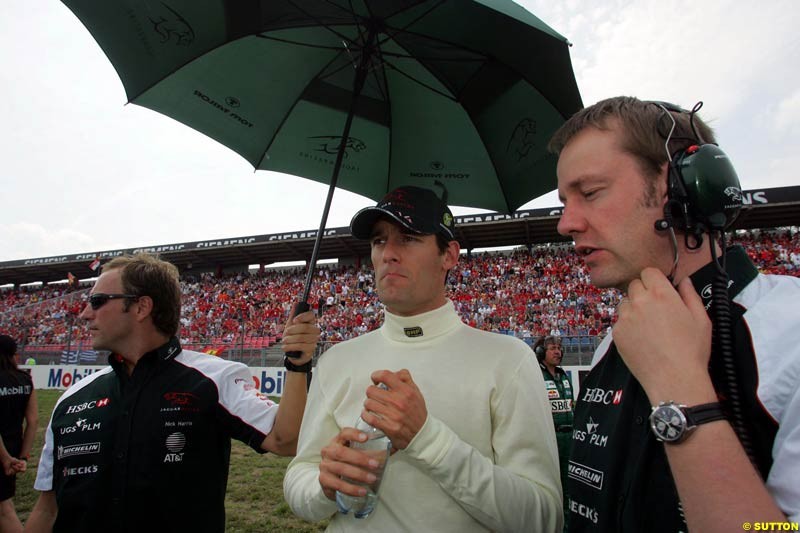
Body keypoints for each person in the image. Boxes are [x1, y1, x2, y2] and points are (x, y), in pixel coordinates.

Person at [550, 96, 800, 532]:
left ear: (681, 187)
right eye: (565, 201)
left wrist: (681, 394)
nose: (565, 223)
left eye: (589, 193)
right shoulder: (614, 342)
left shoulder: (790, 332)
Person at [284, 185, 562, 532]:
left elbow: (543, 518)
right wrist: (324, 487)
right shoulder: (337, 360)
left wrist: (427, 439)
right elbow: (299, 477)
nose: (388, 254)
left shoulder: (508, 360)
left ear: (449, 255)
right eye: (379, 240)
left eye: (409, 237)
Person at [25, 253, 320, 533]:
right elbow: (47, 510)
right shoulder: (72, 398)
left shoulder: (213, 379)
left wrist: (297, 364)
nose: (85, 314)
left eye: (98, 301)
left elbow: (286, 440)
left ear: (141, 307)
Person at [534, 335, 573, 528]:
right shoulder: (536, 375)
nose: (558, 351)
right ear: (541, 353)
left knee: (568, 485)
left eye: (559, 348)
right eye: (552, 348)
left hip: (569, 437)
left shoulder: (564, 376)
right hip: (550, 437)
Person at [0, 334, 38, 533]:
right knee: (4, 508)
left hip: (4, 456)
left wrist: (5, 457)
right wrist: (21, 456)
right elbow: (33, 421)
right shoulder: (25, 379)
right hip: (13, 451)